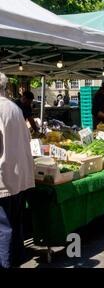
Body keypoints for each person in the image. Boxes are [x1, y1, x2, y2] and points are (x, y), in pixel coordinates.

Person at [0, 72, 35, 267]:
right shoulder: (14, 107)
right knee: (14, 223)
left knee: (4, 228)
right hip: (18, 177)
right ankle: (17, 258)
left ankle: (6, 263)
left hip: (3, 178)